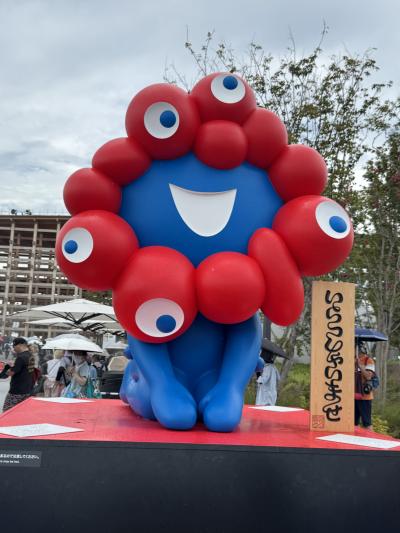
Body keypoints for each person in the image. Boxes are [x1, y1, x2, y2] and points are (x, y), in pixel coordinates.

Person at [1, 337, 35, 411]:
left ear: (20, 345)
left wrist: (7, 367)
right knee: (21, 411)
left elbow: (10, 373)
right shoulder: (31, 355)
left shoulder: (21, 357)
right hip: (28, 389)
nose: (13, 348)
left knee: (7, 411)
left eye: (14, 346)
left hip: (17, 390)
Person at [354, 343, 376, 431]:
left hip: (365, 397)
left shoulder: (369, 360)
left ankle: (370, 438)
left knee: (367, 423)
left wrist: (360, 366)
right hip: (352, 396)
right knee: (352, 423)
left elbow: (368, 376)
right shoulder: (351, 360)